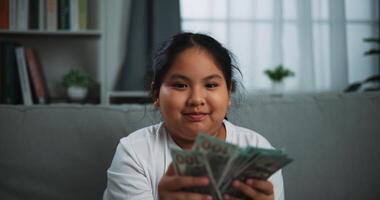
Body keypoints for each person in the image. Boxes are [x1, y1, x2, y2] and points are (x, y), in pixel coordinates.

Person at [103, 32, 285, 200]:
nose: (196, 99)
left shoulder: (256, 150)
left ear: (229, 93)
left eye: (211, 85)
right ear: (156, 94)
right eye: (181, 85)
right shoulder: (134, 153)